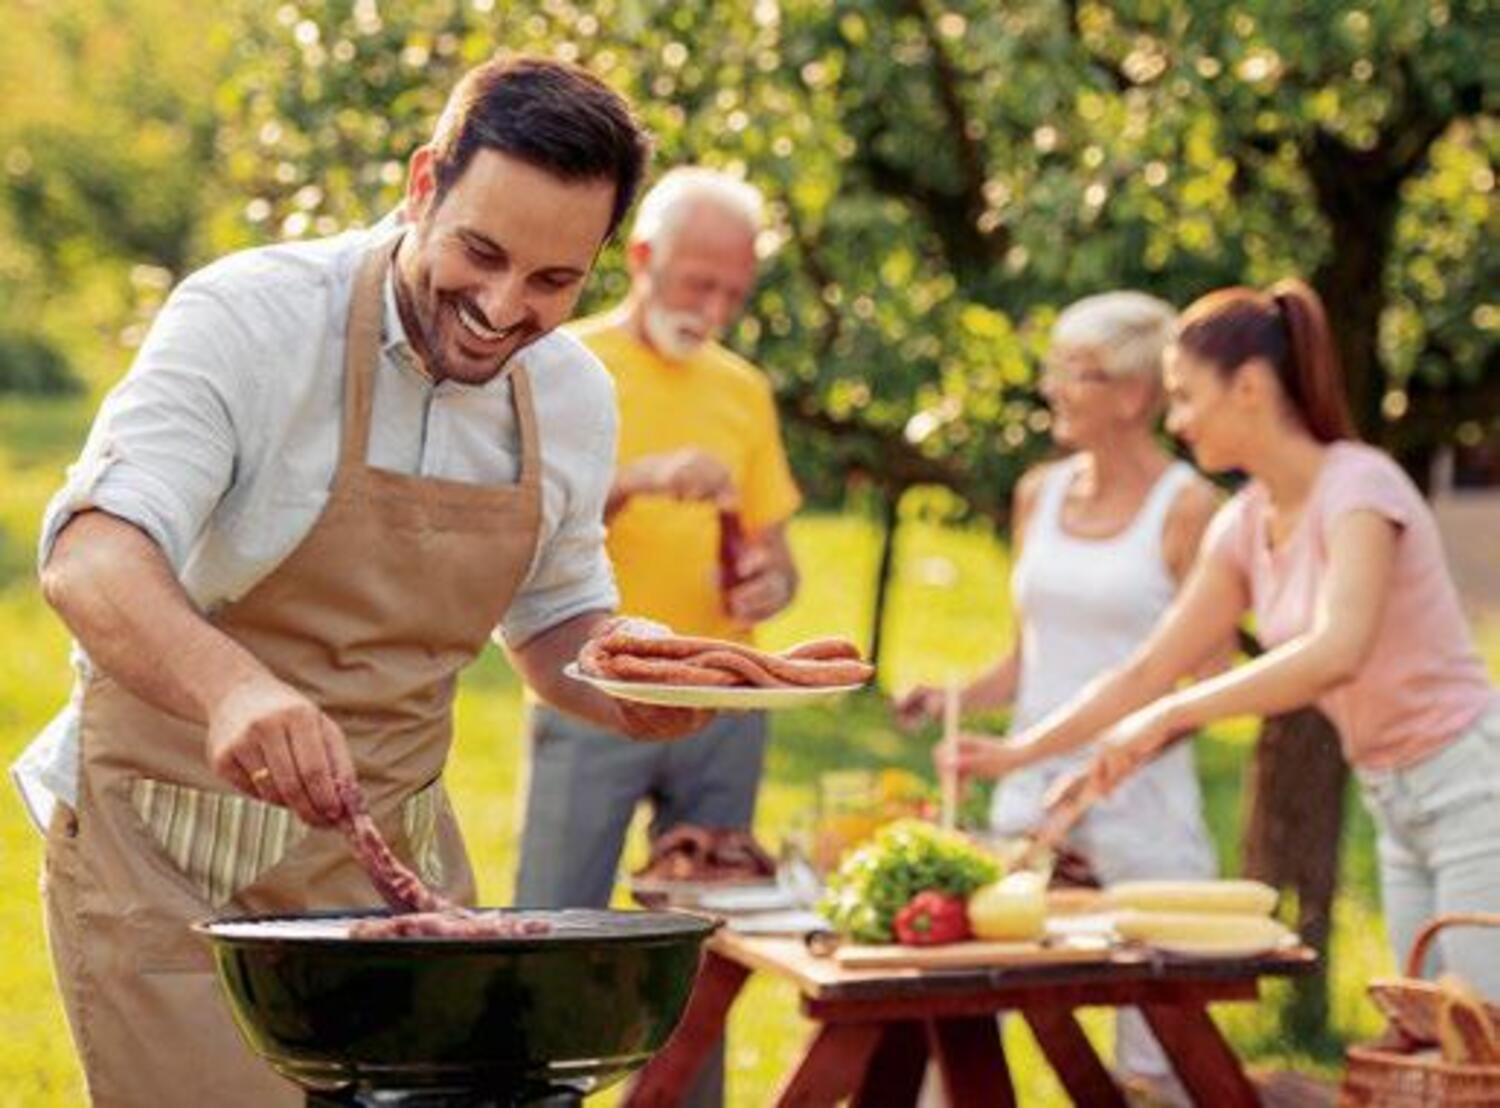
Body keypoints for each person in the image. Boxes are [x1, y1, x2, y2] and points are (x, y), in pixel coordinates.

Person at [12, 58, 710, 1107]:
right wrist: (233, 689)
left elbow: (557, 618)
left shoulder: (570, 394)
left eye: (554, 281)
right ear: (425, 182)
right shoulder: (251, 320)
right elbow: (91, 555)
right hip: (170, 856)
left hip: (394, 866)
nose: (502, 306)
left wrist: (635, 689)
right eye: (482, 252)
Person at [947, 279, 1500, 996]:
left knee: (1482, 1041)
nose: (1176, 419)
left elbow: (1338, 651)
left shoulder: (1361, 489)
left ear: (1247, 387)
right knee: (1433, 1035)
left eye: (1184, 395)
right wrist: (1021, 752)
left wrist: (1173, 714)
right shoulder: (1244, 522)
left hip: (1470, 787)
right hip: (1393, 799)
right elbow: (1149, 668)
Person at [515, 167, 800, 1108]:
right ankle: (533, 1092)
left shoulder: (744, 391)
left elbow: (778, 552)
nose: (714, 308)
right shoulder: (562, 361)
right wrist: (640, 475)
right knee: (556, 925)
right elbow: (523, 511)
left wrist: (774, 577)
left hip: (723, 699)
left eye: (734, 292)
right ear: (641, 258)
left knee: (701, 940)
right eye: (697, 284)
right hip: (589, 685)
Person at [897, 291, 1222, 1090]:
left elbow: (1207, 683)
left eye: (1075, 373)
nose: (1053, 388)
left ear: (1135, 395)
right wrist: (952, 701)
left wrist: (1115, 752)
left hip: (1144, 813)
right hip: (1031, 800)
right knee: (966, 1015)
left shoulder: (1188, 508)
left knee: (1158, 1056)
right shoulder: (1038, 494)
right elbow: (1026, 659)